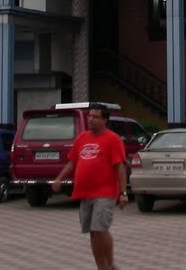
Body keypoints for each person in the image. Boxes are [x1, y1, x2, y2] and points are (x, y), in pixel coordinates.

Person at [51, 103, 128, 270]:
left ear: (105, 120)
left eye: (95, 117)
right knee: (93, 232)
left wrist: (123, 193)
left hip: (105, 192)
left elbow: (119, 167)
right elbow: (72, 162)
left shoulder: (113, 139)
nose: (90, 119)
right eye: (89, 116)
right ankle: (101, 266)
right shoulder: (82, 138)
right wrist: (59, 179)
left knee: (100, 228)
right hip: (85, 193)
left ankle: (110, 263)